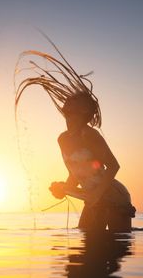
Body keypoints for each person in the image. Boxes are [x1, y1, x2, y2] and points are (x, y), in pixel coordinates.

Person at [15, 38, 135, 232]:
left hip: (114, 195)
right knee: (86, 240)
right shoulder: (62, 139)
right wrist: (64, 188)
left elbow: (113, 166)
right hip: (91, 196)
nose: (68, 103)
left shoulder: (90, 135)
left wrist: (97, 195)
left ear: (84, 112)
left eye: (74, 103)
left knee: (115, 246)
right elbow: (75, 170)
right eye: (68, 102)